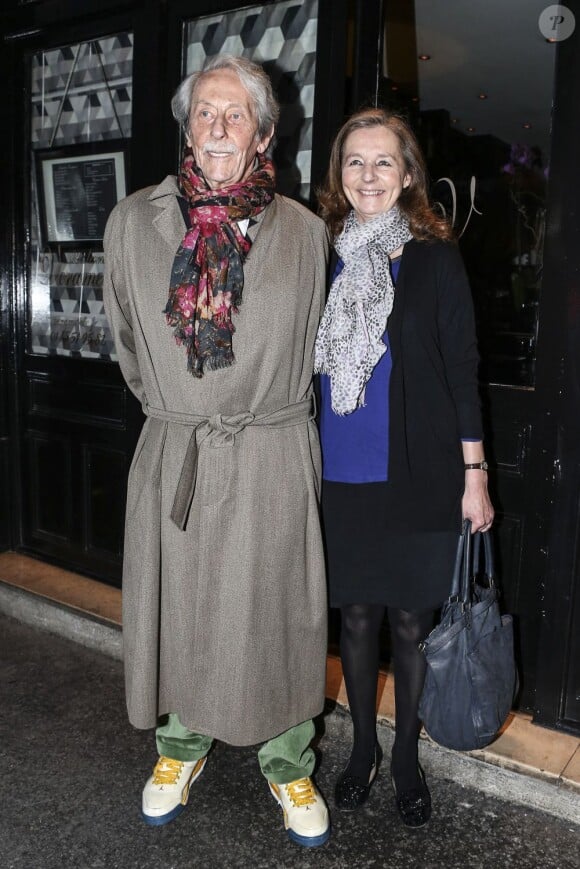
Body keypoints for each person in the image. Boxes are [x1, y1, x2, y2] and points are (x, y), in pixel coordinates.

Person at [103, 54, 330, 848]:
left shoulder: (307, 233)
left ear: (264, 133)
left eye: (237, 115)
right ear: (187, 128)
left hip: (271, 451)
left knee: (277, 610)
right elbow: (130, 343)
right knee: (183, 605)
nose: (220, 127)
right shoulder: (135, 221)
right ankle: (179, 747)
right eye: (206, 112)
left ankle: (287, 758)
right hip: (179, 450)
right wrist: (182, 410)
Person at [314, 108, 494, 828]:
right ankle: (361, 749)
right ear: (340, 175)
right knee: (356, 615)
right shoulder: (319, 255)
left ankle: (407, 758)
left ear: (409, 173)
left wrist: (474, 471)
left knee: (413, 619)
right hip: (341, 469)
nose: (368, 175)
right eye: (354, 162)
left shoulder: (434, 258)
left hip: (420, 470)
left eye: (383, 161)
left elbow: (463, 370)